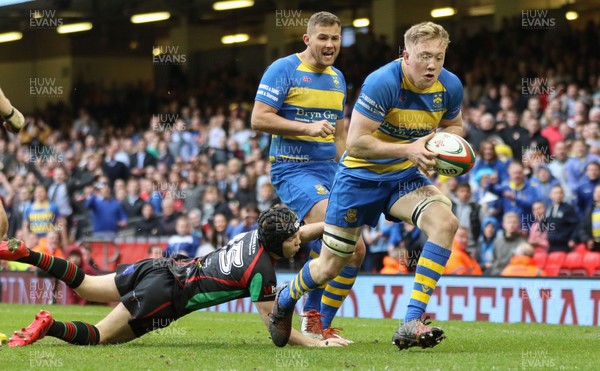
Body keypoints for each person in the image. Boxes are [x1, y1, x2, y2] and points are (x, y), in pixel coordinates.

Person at [268, 21, 463, 350]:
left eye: (440, 57)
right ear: (406, 54)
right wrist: (410, 149)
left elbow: (455, 125)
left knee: (446, 222)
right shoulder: (383, 82)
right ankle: (288, 298)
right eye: (425, 56)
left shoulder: (450, 86)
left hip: (403, 176)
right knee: (333, 263)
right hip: (359, 179)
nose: (433, 65)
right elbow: (356, 143)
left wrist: (444, 145)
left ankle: (410, 321)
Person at [0, 206, 348, 348]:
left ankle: (28, 254)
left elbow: (300, 231)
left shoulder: (254, 235)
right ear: (279, 243)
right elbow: (277, 331)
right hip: (164, 296)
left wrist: (337, 226)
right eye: (294, 239)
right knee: (100, 338)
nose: (299, 239)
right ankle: (49, 326)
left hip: (159, 267)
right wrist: (318, 344)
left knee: (88, 284)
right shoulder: (262, 273)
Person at [251, 11, 364, 340]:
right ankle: (303, 309)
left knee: (356, 250)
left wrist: (351, 172)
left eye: (335, 38)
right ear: (308, 39)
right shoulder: (283, 69)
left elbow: (340, 135)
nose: (330, 45)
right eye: (323, 38)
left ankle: (319, 323)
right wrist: (308, 128)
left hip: (331, 170)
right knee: (335, 227)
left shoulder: (338, 78)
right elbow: (259, 119)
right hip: (292, 166)